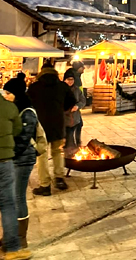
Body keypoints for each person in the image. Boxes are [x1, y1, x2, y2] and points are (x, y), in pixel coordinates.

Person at [28, 63, 76, 196]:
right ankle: (59, 179)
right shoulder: (62, 86)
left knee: (42, 156)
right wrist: (61, 108)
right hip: (57, 124)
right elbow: (72, 101)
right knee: (58, 152)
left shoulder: (34, 87)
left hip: (40, 126)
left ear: (41, 72)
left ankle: (45, 185)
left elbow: (28, 104)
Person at [3, 73, 36, 251]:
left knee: (17, 197)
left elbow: (23, 140)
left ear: (16, 93)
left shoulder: (27, 112)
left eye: (8, 93)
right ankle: (10, 235)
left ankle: (20, 239)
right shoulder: (12, 109)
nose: (5, 96)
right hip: (12, 158)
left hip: (23, 160)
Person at [63, 68, 86, 151]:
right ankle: (70, 151)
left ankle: (78, 146)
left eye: (72, 80)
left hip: (76, 117)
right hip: (66, 118)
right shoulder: (61, 90)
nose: (70, 81)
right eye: (68, 80)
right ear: (65, 79)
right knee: (69, 137)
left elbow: (83, 100)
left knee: (78, 131)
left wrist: (77, 106)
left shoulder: (76, 89)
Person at [72, 61, 85, 147]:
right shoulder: (75, 78)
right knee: (77, 124)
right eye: (82, 67)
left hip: (77, 105)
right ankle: (76, 142)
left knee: (79, 124)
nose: (84, 68)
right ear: (78, 68)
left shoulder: (77, 76)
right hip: (74, 106)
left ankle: (76, 141)